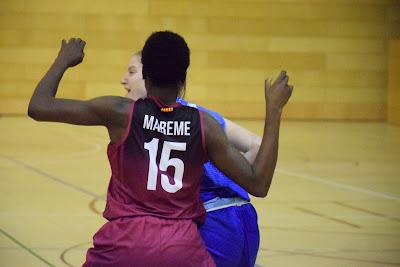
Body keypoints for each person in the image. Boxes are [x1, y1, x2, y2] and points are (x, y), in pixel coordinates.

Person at [28, 31, 293, 266]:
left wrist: (63, 59)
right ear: (183, 77)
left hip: (124, 246)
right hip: (182, 250)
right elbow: (259, 183)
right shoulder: (204, 125)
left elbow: (39, 107)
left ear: (145, 74)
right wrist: (274, 110)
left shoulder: (119, 112)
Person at [121, 52, 262, 267]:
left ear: (152, 76)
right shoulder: (202, 115)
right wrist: (232, 177)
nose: (124, 80)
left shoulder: (159, 120)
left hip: (214, 221)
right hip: (245, 216)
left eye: (132, 72)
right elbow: (257, 144)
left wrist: (218, 182)